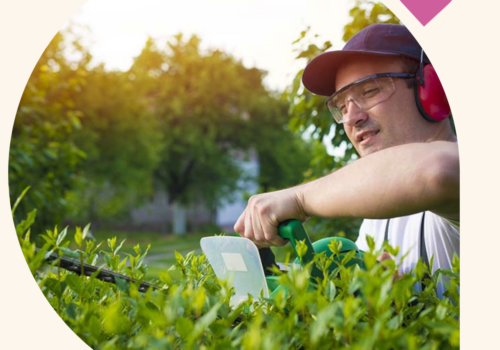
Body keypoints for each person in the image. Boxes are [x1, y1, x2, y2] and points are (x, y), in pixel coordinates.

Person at [234, 24, 459, 293]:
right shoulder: (378, 216)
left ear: (433, 88)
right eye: (342, 106)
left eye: (370, 91)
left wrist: (298, 199)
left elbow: (438, 170)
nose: (352, 118)